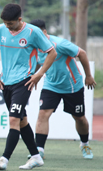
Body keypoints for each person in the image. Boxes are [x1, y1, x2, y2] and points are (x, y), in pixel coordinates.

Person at [0, 3, 56, 170]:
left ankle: (4, 159)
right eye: (5, 23)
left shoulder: (33, 32)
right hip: (5, 82)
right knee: (22, 120)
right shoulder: (0, 30)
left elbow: (52, 52)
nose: (7, 26)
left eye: (10, 23)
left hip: (24, 81)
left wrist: (39, 74)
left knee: (13, 120)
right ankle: (36, 157)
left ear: (19, 19)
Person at [29, 19, 96, 159]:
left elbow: (82, 53)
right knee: (43, 114)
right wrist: (32, 74)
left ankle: (84, 144)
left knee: (79, 118)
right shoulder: (34, 47)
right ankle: (39, 150)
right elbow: (39, 62)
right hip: (51, 86)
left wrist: (89, 76)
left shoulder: (59, 44)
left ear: (45, 32)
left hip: (72, 86)